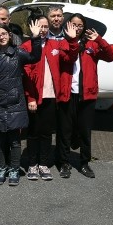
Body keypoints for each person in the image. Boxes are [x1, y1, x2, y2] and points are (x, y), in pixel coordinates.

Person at [0, 20, 42, 186]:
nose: (1, 37)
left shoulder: (18, 52)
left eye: (4, 34)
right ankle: (1, 168)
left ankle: (14, 169)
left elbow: (35, 57)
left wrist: (36, 37)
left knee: (15, 140)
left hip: (15, 101)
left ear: (9, 35)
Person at [59, 13, 113, 178]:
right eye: (74, 24)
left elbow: (111, 56)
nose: (77, 28)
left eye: (80, 25)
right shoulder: (63, 43)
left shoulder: (92, 44)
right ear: (68, 25)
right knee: (65, 131)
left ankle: (84, 163)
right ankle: (63, 162)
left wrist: (99, 39)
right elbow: (67, 58)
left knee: (85, 131)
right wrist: (71, 41)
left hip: (87, 95)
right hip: (67, 94)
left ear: (84, 27)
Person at [22, 15, 78, 181]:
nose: (44, 30)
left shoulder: (56, 44)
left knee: (46, 133)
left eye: (46, 27)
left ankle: (43, 164)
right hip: (34, 98)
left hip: (51, 96)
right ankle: (32, 164)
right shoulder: (27, 46)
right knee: (32, 133)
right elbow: (26, 74)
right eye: (40, 26)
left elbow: (70, 58)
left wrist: (73, 41)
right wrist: (31, 97)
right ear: (32, 26)